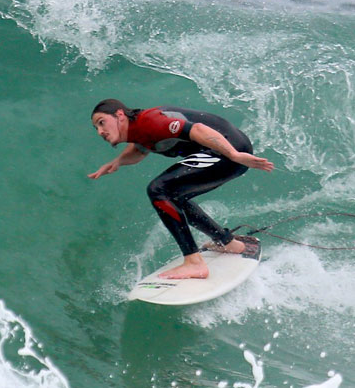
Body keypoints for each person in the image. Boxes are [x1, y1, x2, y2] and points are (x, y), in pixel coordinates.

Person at [87, 99, 274, 279]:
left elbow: (197, 129)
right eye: (96, 128)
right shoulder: (138, 129)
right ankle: (228, 243)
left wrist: (234, 155)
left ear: (119, 115)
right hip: (225, 150)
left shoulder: (150, 121)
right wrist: (117, 162)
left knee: (158, 190)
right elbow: (139, 149)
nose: (100, 131)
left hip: (226, 151)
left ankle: (194, 262)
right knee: (173, 195)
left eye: (102, 123)